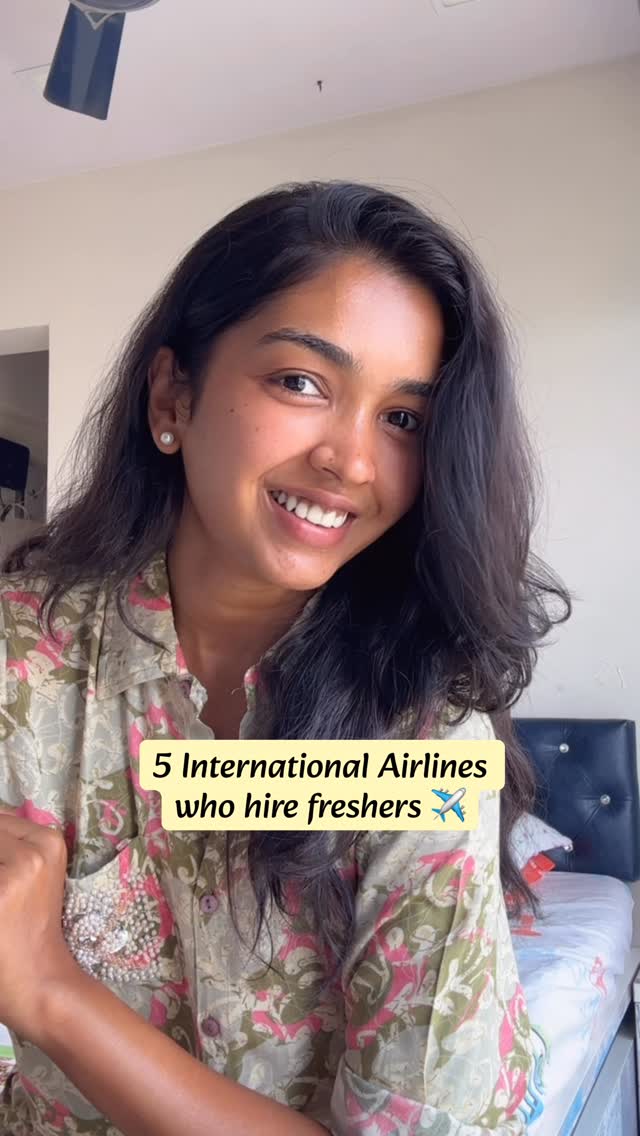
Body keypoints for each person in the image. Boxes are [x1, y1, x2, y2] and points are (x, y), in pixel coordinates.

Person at [0, 180, 569, 1136]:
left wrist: (50, 992)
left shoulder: (419, 731)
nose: (352, 461)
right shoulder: (26, 652)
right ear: (173, 396)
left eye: (404, 419)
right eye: (303, 382)